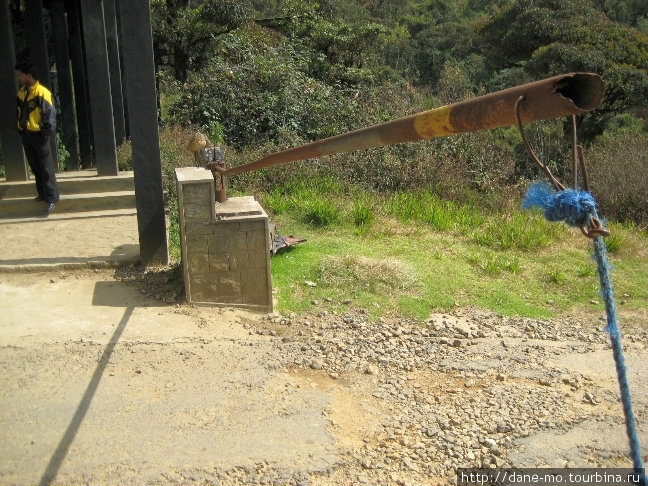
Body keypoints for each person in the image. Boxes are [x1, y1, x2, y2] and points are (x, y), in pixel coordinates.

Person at [15, 60, 59, 213]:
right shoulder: (22, 93)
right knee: (35, 166)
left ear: (29, 75)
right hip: (27, 135)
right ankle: (42, 193)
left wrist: (44, 133)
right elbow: (20, 113)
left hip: (39, 135)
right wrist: (21, 129)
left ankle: (51, 198)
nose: (19, 78)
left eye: (20, 75)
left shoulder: (42, 92)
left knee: (45, 167)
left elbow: (49, 115)